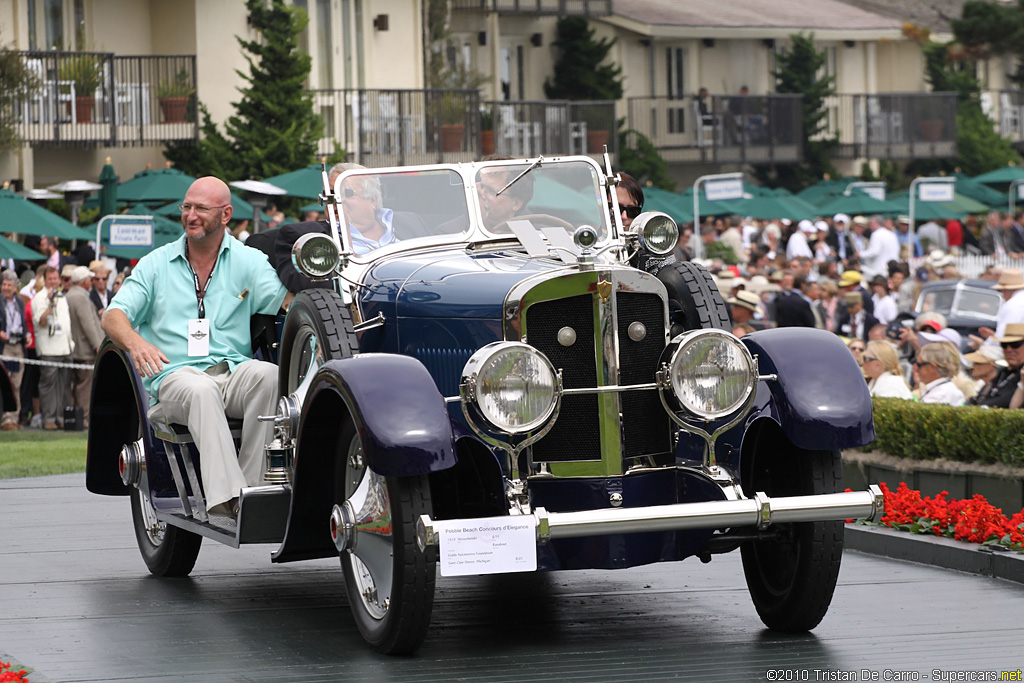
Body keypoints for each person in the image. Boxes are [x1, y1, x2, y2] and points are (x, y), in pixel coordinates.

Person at [102, 176, 294, 518]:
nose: (191, 215)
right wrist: (136, 344)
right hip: (175, 376)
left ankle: (254, 496)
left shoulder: (248, 261)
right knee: (201, 389)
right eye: (186, 207)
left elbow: (287, 303)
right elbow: (113, 316)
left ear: (225, 214)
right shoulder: (156, 264)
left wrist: (333, 308)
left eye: (201, 208)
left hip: (231, 370)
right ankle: (228, 499)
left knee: (269, 376)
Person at [31, 266, 73, 430]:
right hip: (49, 349)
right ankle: (48, 418)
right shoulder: (39, 298)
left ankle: (61, 417)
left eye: (56, 278)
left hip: (65, 347)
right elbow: (41, 321)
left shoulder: (62, 296)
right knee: (48, 386)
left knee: (64, 385)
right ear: (45, 279)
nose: (54, 281)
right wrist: (50, 302)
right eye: (51, 279)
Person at [65, 265, 105, 426]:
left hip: (75, 348)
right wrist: (98, 345)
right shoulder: (80, 297)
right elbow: (88, 324)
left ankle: (79, 415)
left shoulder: (69, 295)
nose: (91, 281)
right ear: (83, 281)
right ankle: (85, 417)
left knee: (77, 385)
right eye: (89, 279)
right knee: (84, 386)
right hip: (85, 350)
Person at [0, 269, 27, 429]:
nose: (6, 287)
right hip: (5, 348)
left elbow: (22, 323)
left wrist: (27, 334)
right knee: (6, 382)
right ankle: (6, 419)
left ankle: (13, 418)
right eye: (4, 284)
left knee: (17, 382)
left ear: (15, 287)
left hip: (18, 346)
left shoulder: (19, 302)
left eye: (9, 285)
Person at [913, 341, 966, 406]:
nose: (916, 369)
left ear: (932, 367)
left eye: (919, 365)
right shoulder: (943, 389)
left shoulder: (940, 395)